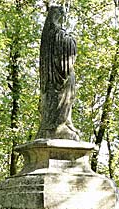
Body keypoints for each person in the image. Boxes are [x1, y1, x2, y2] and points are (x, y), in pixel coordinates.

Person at [36, 5, 79, 141]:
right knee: (59, 97)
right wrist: (71, 41)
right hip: (57, 79)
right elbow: (64, 47)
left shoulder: (50, 34)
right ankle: (57, 126)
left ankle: (64, 123)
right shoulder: (55, 33)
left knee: (66, 98)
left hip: (58, 79)